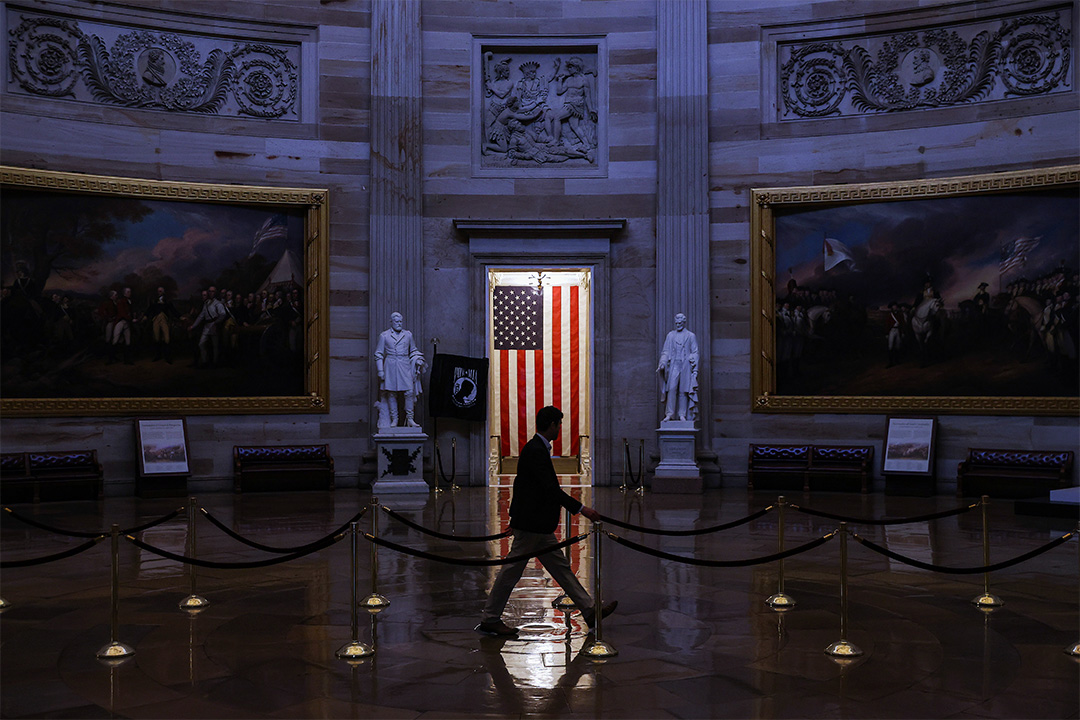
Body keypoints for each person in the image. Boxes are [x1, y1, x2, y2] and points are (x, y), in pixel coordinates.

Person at [478, 406, 617, 637]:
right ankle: (490, 618)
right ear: (552, 425)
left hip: (537, 525)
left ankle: (590, 610)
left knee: (561, 569)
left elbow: (523, 487)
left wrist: (516, 517)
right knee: (511, 572)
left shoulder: (536, 448)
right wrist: (582, 509)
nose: (560, 429)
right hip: (533, 526)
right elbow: (549, 489)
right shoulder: (535, 450)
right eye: (559, 424)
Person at [374, 311, 425, 428]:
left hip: (404, 365)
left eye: (401, 321)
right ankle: (394, 419)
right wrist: (380, 370)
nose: (399, 324)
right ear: (391, 322)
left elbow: (413, 350)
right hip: (390, 366)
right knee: (391, 393)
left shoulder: (408, 335)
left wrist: (418, 359)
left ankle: (410, 419)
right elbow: (378, 354)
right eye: (397, 321)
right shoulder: (384, 336)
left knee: (409, 392)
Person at [657, 312, 699, 422]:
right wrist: (662, 363)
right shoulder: (670, 335)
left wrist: (692, 360)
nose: (678, 324)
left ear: (684, 323)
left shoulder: (690, 336)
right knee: (671, 389)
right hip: (674, 365)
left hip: (685, 365)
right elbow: (666, 351)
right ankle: (670, 414)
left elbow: (695, 352)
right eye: (676, 323)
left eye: (680, 323)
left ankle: (682, 414)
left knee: (683, 391)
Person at [146, 286, 179, 362]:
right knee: (156, 338)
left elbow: (173, 310)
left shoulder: (167, 301)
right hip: (156, 320)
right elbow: (149, 309)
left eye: (161, 291)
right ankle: (158, 355)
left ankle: (167, 357)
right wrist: (144, 316)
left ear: (163, 292)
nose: (159, 292)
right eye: (158, 291)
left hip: (164, 320)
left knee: (167, 339)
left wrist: (180, 317)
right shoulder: (154, 301)